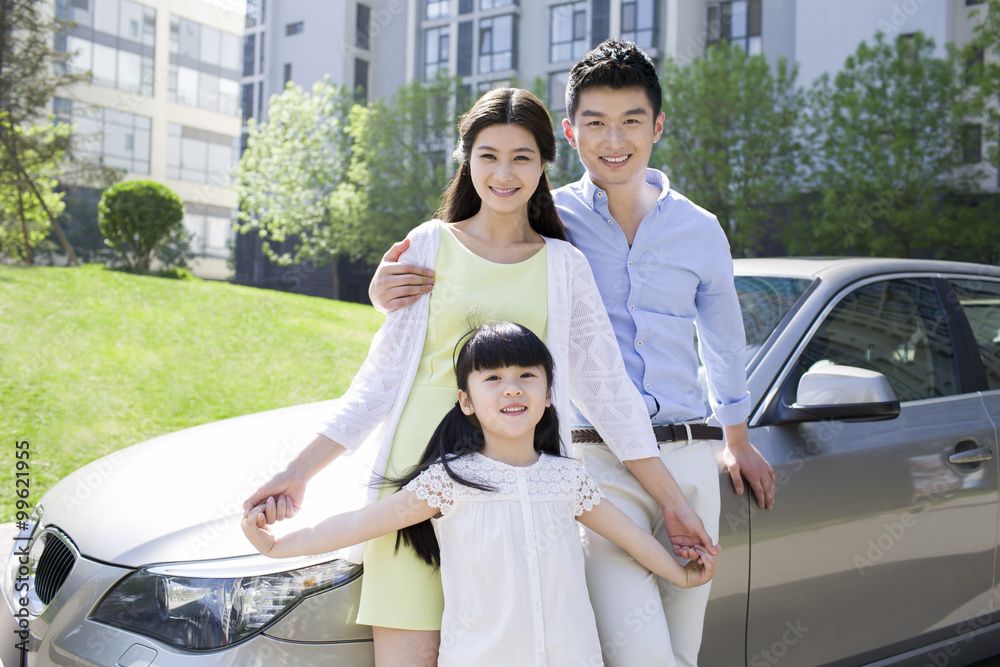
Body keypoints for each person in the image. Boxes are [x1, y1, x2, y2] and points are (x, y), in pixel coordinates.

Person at [243, 87, 715, 667]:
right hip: (417, 485)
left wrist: (670, 500)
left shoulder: (565, 264)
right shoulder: (428, 246)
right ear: (466, 160)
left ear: (545, 163)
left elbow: (610, 394)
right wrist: (297, 475)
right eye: (488, 155)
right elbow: (379, 383)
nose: (504, 172)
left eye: (522, 156)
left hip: (516, 501)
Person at [369, 40, 776, 667]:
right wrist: (385, 291)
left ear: (659, 126)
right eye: (595, 123)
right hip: (594, 461)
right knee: (639, 655)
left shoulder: (701, 228)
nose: (614, 139)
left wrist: (738, 437)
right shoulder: (544, 216)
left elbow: (723, 339)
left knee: (681, 650)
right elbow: (471, 272)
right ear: (570, 131)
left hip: (690, 459)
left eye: (631, 121)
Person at [243, 322, 716, 667]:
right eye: (492, 378)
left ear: (550, 393)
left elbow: (633, 538)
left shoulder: (568, 479)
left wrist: (683, 575)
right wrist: (279, 545)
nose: (512, 388)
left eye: (527, 375)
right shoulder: (449, 480)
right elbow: (356, 524)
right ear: (465, 401)